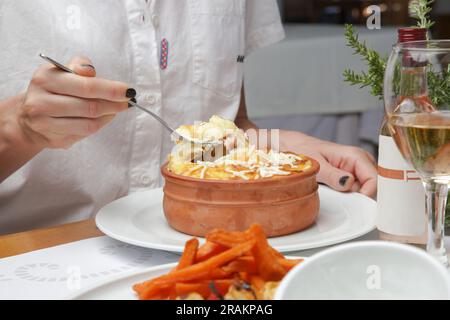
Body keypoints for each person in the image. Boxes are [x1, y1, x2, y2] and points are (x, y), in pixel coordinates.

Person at [0, 0, 377, 234]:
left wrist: (273, 151)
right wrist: (16, 129)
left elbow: (235, 122)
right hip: (40, 252)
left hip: (209, 255)